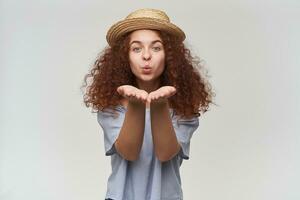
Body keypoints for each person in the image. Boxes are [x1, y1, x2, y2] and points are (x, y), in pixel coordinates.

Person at [82, 8, 214, 200]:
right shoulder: (111, 105)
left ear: (169, 56)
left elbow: (166, 153)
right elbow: (128, 152)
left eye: (156, 47)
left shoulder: (183, 107)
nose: (146, 56)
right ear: (124, 57)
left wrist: (159, 105)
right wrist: (136, 104)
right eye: (136, 48)